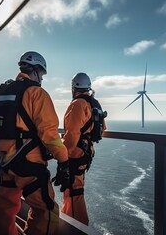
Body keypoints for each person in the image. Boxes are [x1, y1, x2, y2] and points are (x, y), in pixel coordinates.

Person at [0, 51, 70, 235]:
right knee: (46, 211)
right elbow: (50, 135)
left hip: (3, 162)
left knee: (4, 209)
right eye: (41, 75)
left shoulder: (4, 92)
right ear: (35, 71)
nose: (41, 79)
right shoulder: (37, 93)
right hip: (28, 166)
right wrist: (64, 160)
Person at [61, 72, 107, 225]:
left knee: (74, 192)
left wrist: (61, 154)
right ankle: (68, 221)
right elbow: (102, 129)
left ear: (74, 88)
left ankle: (77, 227)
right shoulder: (95, 104)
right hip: (86, 153)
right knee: (76, 188)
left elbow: (72, 133)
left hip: (74, 155)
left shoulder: (77, 104)